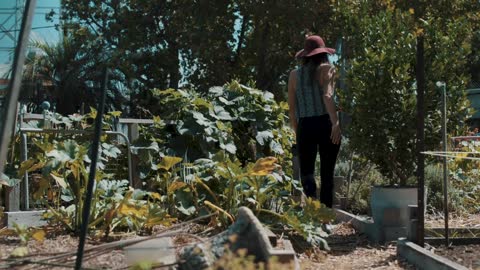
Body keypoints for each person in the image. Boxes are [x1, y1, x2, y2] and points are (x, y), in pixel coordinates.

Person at [287, 35, 341, 208]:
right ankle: (325, 216)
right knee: (327, 173)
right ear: (323, 53)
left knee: (307, 173)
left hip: (305, 125)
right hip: (326, 123)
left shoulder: (294, 75)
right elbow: (328, 96)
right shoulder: (328, 69)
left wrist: (297, 130)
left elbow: (292, 108)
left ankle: (312, 213)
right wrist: (336, 124)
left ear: (305, 55)